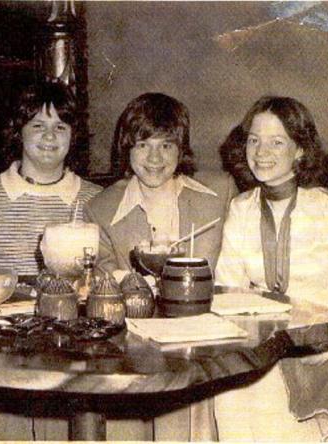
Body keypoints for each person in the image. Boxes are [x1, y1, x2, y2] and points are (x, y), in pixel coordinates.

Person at [85, 92, 237, 440]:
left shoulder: (220, 194)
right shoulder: (101, 209)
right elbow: (105, 289)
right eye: (143, 145)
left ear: (181, 150)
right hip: (134, 355)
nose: (155, 158)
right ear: (127, 149)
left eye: (166, 145)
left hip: (205, 351)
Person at [215, 96, 328, 441]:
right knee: (231, 392)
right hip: (264, 353)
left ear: (300, 149)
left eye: (276, 142)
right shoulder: (241, 209)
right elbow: (227, 292)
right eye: (254, 140)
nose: (261, 152)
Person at [0, 82, 102, 279]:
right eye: (38, 126)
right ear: (19, 132)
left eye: (60, 127)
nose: (49, 136)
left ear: (73, 136)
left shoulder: (97, 200)